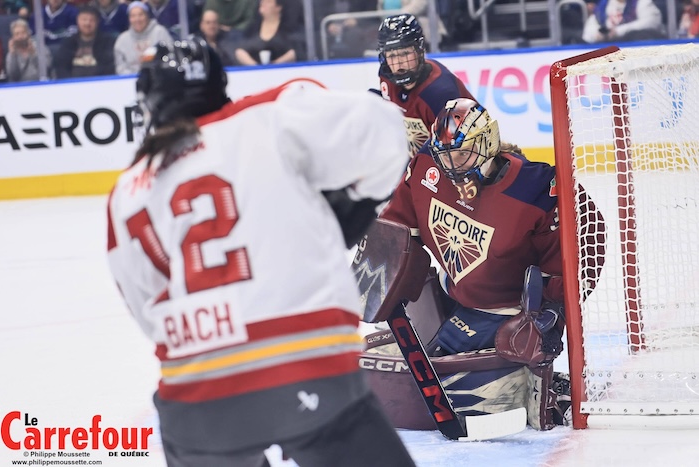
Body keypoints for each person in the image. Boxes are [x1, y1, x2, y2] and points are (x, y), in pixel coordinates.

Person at [106, 37, 417, 467]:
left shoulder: (128, 190)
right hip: (305, 369)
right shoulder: (270, 116)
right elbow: (383, 127)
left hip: (195, 400)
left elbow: (146, 305)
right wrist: (356, 208)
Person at [375, 97, 606, 429]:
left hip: (507, 309)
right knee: (413, 359)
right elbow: (400, 221)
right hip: (452, 291)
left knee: (452, 378)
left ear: (487, 146)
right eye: (445, 155)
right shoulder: (428, 164)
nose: (451, 165)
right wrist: (388, 267)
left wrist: (553, 313)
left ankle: (544, 389)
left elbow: (587, 240)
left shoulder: (537, 190)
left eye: (461, 154)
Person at [376, 13, 476, 158]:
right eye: (391, 56)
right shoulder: (386, 76)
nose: (398, 63)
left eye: (404, 53)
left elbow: (456, 156)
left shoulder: (440, 93)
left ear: (420, 50)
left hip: (459, 160)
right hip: (420, 159)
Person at [53, 5, 115, 78]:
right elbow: (61, 67)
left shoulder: (107, 41)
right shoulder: (68, 42)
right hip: (72, 84)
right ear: (77, 20)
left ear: (97, 22)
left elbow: (109, 67)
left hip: (99, 82)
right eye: (84, 19)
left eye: (91, 20)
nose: (87, 23)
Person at [234, 0, 301, 66]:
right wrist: (256, 67)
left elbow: (294, 52)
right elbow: (241, 49)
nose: (263, 3)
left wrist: (273, 65)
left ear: (278, 7)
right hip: (255, 69)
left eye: (268, 1)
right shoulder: (253, 27)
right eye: (262, 1)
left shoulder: (288, 28)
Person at [113, 1, 173, 74]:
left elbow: (171, 56)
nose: (137, 19)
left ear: (147, 16)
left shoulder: (160, 32)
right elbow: (120, 67)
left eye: (140, 15)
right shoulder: (122, 40)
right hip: (131, 80)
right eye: (133, 16)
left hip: (159, 77)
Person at [581, 0, 666, 43]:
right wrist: (598, 35)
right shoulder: (604, 5)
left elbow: (651, 22)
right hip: (609, 50)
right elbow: (588, 33)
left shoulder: (641, 2)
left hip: (636, 47)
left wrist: (618, 31)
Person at [5, 17, 52, 82]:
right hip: (19, 87)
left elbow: (47, 69)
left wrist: (33, 54)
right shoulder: (11, 53)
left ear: (28, 33)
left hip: (40, 84)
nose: (20, 36)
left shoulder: (40, 47)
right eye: (17, 34)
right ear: (13, 37)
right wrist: (13, 55)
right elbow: (13, 76)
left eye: (23, 33)